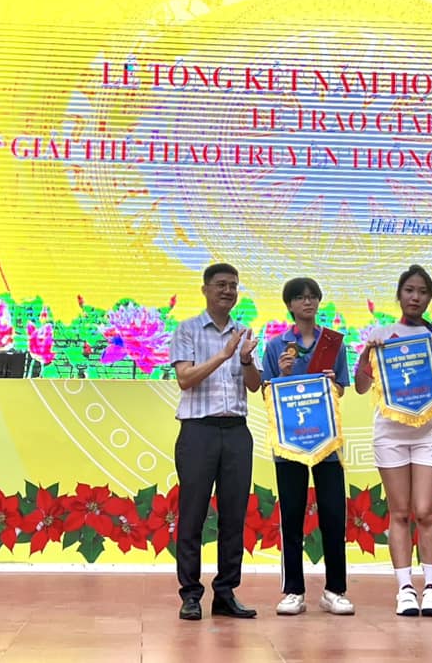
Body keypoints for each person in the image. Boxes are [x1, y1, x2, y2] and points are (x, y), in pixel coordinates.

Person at [355, 265, 432, 617]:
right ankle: (404, 590)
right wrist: (366, 353)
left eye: (423, 292)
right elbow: (361, 386)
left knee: (425, 511)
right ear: (399, 295)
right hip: (390, 433)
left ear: (430, 298)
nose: (416, 297)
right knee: (399, 512)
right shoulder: (382, 334)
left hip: (429, 431)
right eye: (409, 290)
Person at [170, 262, 262, 622]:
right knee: (193, 514)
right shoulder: (187, 329)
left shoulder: (243, 332)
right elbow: (185, 378)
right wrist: (224, 355)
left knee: (234, 516)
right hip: (198, 431)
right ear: (205, 289)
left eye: (233, 286)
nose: (228, 291)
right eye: (221, 285)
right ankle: (190, 595)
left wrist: (245, 359)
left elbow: (253, 385)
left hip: (236, 431)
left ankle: (225, 593)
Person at [262, 277, 354, 616]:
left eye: (313, 296)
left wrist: (332, 384)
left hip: (326, 439)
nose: (308, 302)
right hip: (289, 442)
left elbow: (341, 388)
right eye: (300, 297)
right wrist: (282, 375)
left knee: (333, 513)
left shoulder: (333, 343)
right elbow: (267, 392)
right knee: (291, 514)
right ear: (289, 305)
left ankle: (335, 590)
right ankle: (293, 591)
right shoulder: (276, 346)